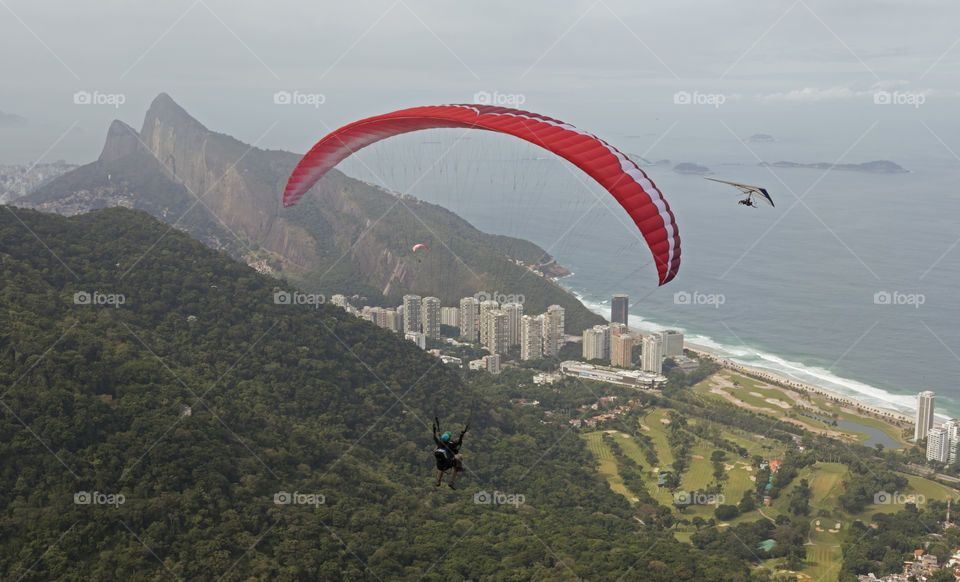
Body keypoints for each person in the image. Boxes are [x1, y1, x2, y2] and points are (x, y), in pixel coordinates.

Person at [433, 419, 468, 489]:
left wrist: (434, 430)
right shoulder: (451, 445)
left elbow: (434, 437)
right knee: (456, 467)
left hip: (440, 465)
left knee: (442, 467)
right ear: (449, 439)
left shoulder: (439, 443)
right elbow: (458, 443)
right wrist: (461, 435)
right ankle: (451, 482)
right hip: (448, 463)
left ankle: (438, 480)